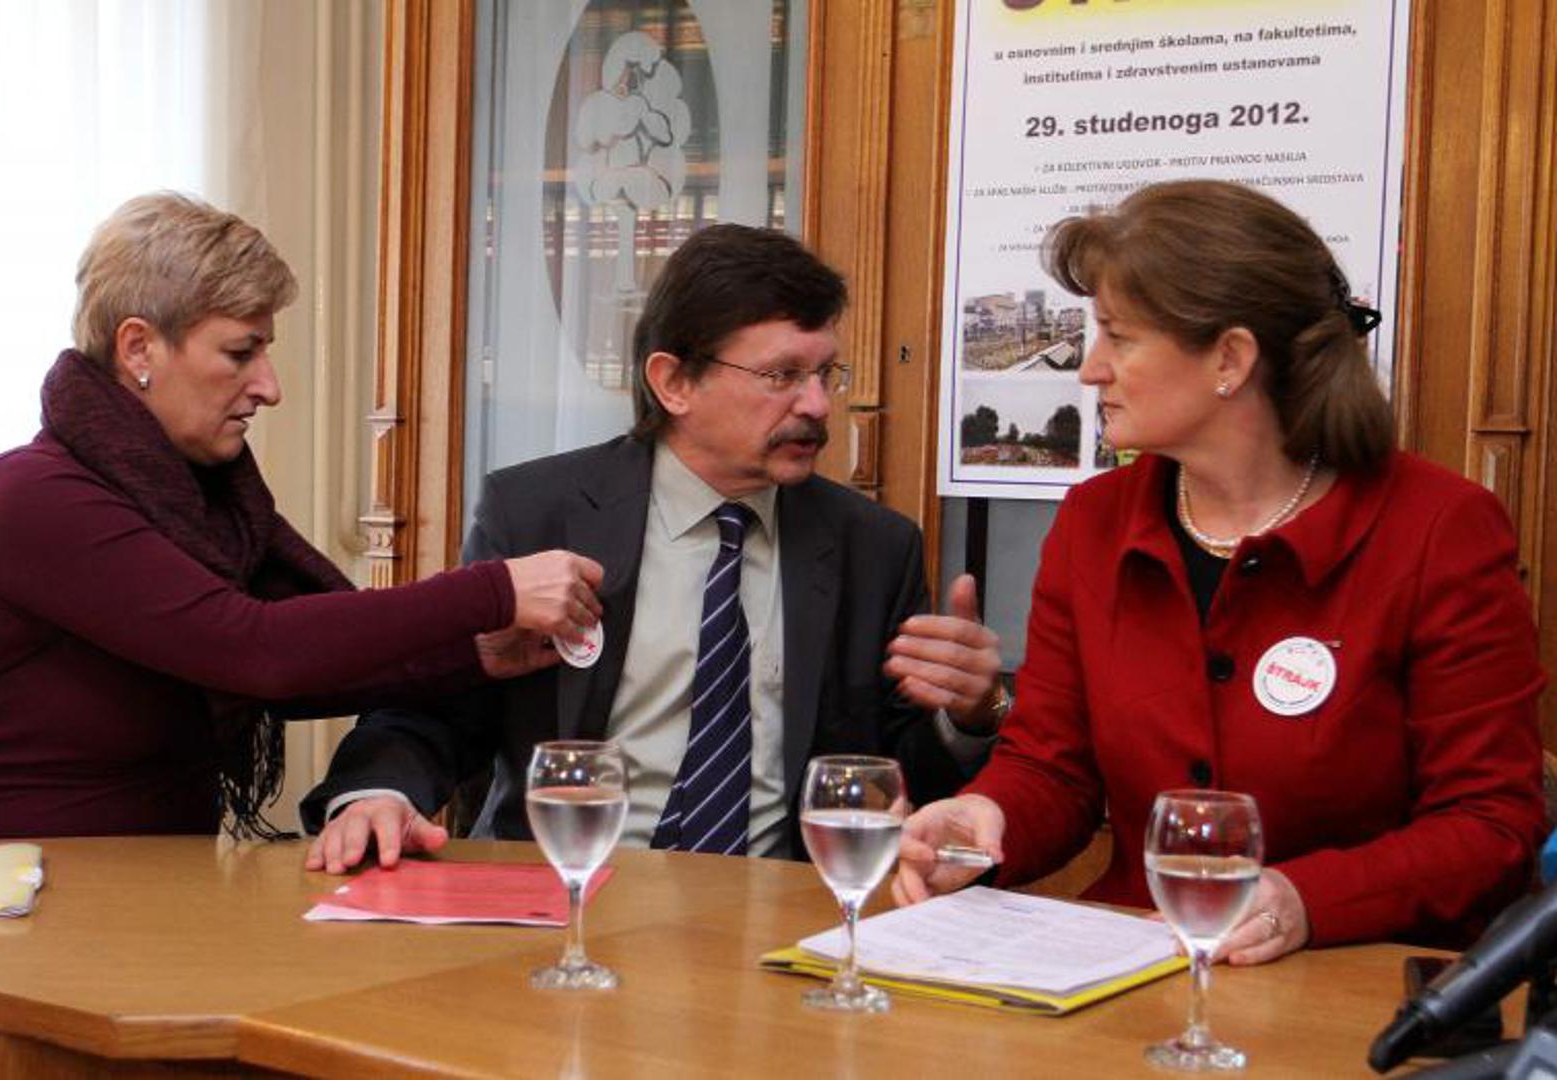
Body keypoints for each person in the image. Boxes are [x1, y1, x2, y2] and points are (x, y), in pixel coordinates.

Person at [895, 179, 1544, 963]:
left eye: (1117, 337)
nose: (1090, 370)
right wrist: (984, 818)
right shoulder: (1094, 521)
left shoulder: (1436, 528)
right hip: (1131, 972)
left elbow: (1491, 821)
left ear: (1229, 359)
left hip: (1354, 985)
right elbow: (1052, 769)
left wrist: (1304, 901)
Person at [304, 224, 1007, 871]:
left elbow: (893, 780)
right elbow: (436, 704)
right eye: (782, 376)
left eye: (826, 374)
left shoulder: (872, 547)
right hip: (566, 892)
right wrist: (378, 794)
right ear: (673, 382)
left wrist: (970, 717)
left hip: (777, 911)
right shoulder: (539, 513)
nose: (818, 405)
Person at [0, 193, 601, 842]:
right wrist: (493, 591)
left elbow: (309, 663)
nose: (269, 387)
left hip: (134, 878)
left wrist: (474, 652)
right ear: (138, 348)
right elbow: (255, 650)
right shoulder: (32, 495)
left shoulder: (207, 498)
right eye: (241, 353)